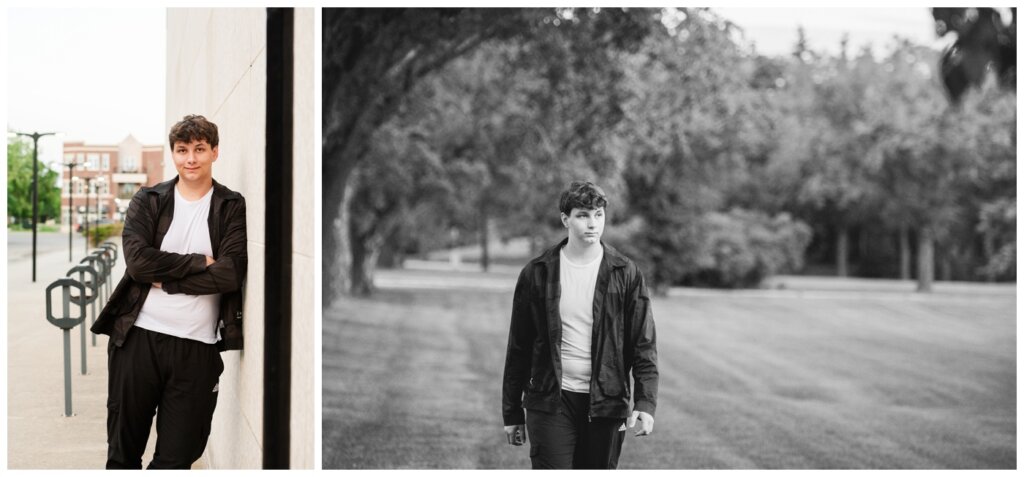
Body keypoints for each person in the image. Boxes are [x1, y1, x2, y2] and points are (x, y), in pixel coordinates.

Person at [91, 115, 248, 469]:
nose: (190, 158)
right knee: (122, 454)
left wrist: (170, 282)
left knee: (177, 460)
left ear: (214, 152)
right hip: (137, 340)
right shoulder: (148, 200)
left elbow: (230, 274)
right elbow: (139, 265)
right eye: (182, 150)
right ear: (173, 154)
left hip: (196, 348)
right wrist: (198, 263)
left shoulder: (229, 206)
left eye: (199, 149)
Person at [501, 180, 658, 469]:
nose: (592, 223)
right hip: (550, 402)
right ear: (566, 219)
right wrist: (511, 413)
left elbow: (643, 345)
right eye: (582, 215)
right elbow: (519, 348)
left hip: (606, 404)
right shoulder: (537, 273)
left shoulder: (626, 273)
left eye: (598, 215)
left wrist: (645, 404)